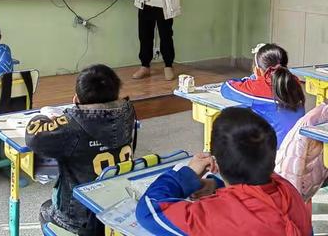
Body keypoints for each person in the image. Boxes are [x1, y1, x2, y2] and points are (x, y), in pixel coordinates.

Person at [136, 107, 312, 236]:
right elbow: (254, 193)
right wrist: (216, 185)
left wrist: (186, 174)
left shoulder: (214, 216)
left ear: (216, 162)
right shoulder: (288, 190)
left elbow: (149, 211)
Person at [25, 64, 136, 235]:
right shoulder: (128, 113)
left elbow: (33, 137)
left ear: (76, 99)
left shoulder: (71, 126)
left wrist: (45, 116)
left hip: (79, 217)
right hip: (120, 206)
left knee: (45, 209)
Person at [221, 43, 305, 148]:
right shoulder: (294, 81)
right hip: (295, 147)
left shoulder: (259, 87)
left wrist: (252, 78)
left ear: (258, 70)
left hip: (272, 151)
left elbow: (226, 88)